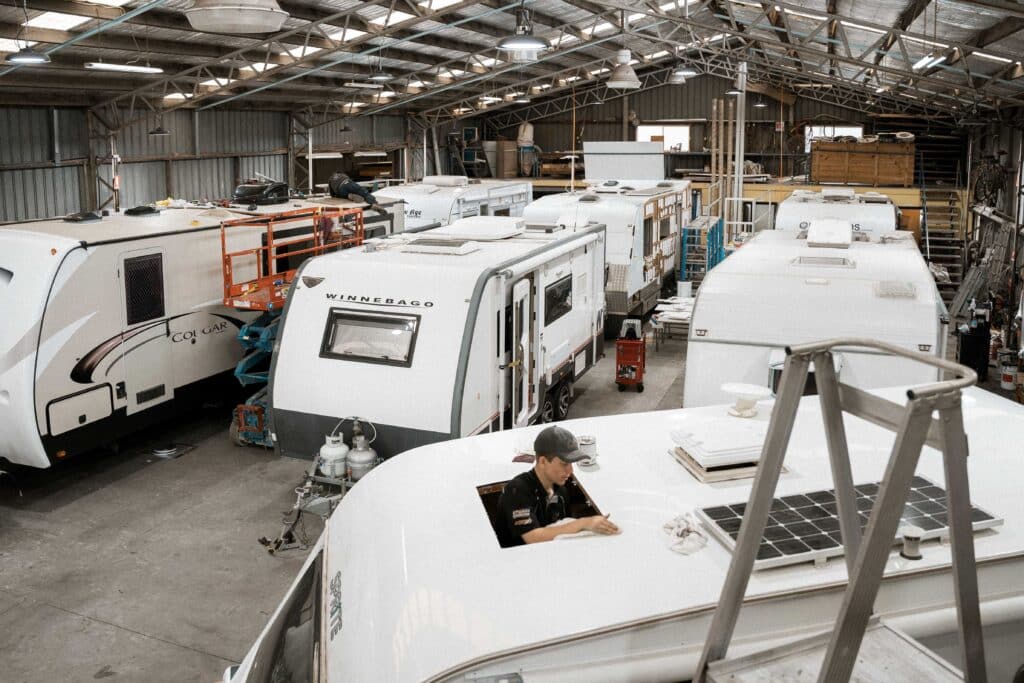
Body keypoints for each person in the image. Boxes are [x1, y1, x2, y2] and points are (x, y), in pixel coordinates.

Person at [497, 425, 620, 547]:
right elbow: (533, 537)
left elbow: (563, 531)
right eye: (564, 464)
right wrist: (585, 523)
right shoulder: (517, 490)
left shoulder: (561, 490)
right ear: (543, 461)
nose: (570, 471)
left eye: (572, 464)